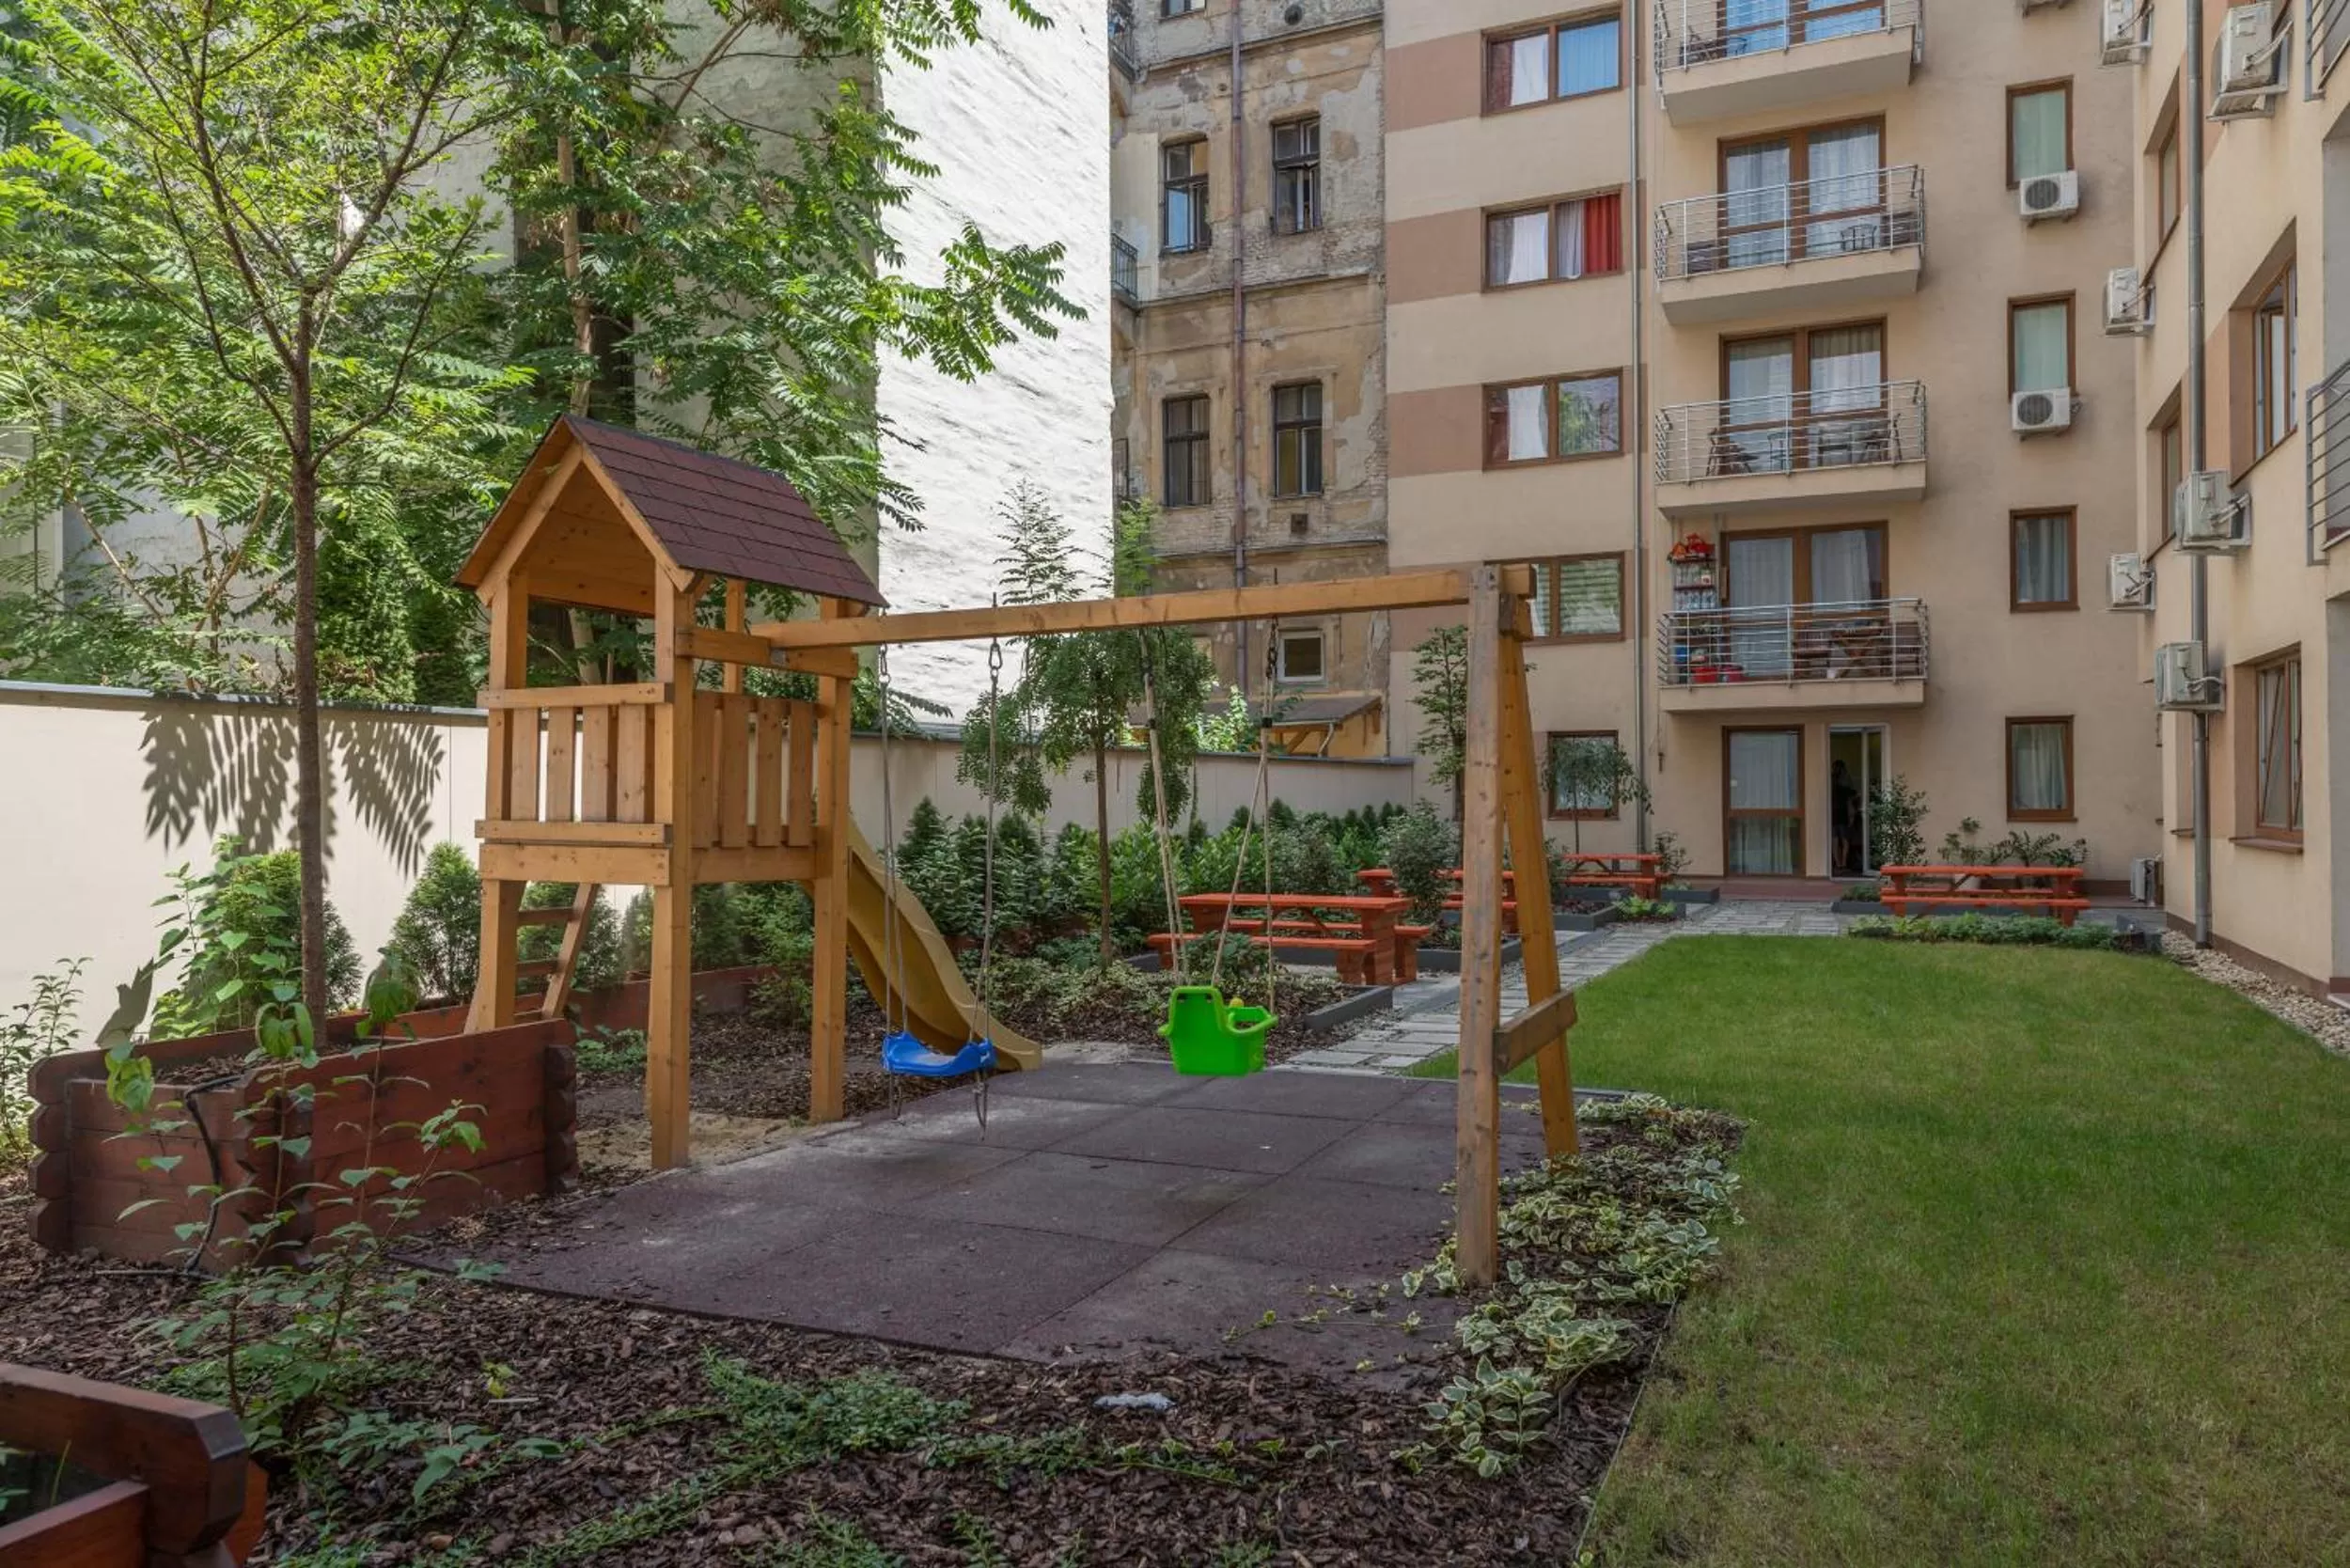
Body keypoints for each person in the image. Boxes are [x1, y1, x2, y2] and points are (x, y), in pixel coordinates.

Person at [1831, 760, 1860, 877]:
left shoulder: (1831, 781)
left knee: (1835, 839)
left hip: (1833, 813)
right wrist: (1852, 812)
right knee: (1844, 839)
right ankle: (1843, 863)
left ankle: (1838, 864)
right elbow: (1854, 796)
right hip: (1841, 814)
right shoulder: (1845, 782)